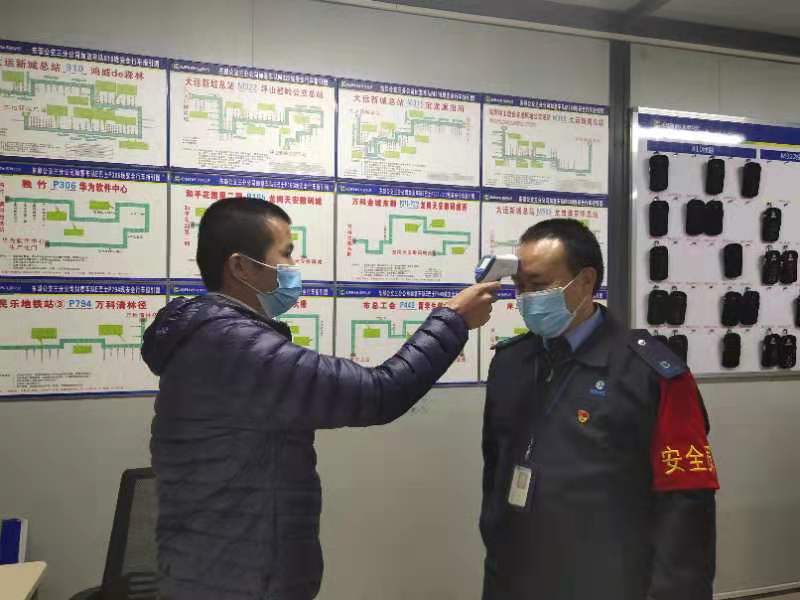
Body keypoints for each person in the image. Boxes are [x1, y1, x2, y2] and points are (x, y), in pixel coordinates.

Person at [141, 196, 499, 600]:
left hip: (212, 569)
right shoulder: (236, 346)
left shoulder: (210, 337)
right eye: (285, 254)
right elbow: (380, 393)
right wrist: (453, 320)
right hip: (241, 583)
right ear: (240, 266)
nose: (293, 267)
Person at [480, 219, 719, 600]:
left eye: (538, 286)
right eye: (520, 287)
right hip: (515, 576)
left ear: (586, 281)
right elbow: (495, 468)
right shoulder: (511, 362)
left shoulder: (651, 374)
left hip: (609, 579)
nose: (526, 299)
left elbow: (686, 501)